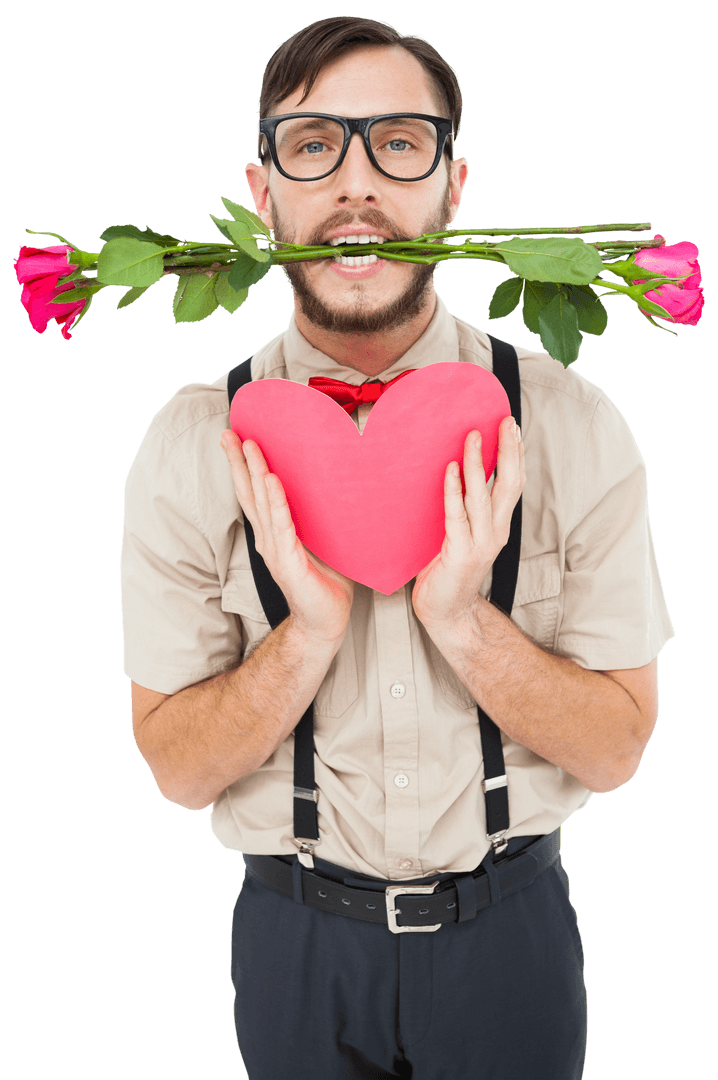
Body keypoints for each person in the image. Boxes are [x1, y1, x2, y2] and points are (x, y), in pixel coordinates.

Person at [120, 16, 674, 1080]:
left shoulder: (571, 423)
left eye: (399, 144)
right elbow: (177, 770)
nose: (356, 184)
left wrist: (462, 621)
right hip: (294, 944)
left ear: (453, 189)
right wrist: (306, 633)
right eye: (313, 145)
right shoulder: (191, 442)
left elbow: (616, 750)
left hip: (509, 934)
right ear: (263, 194)